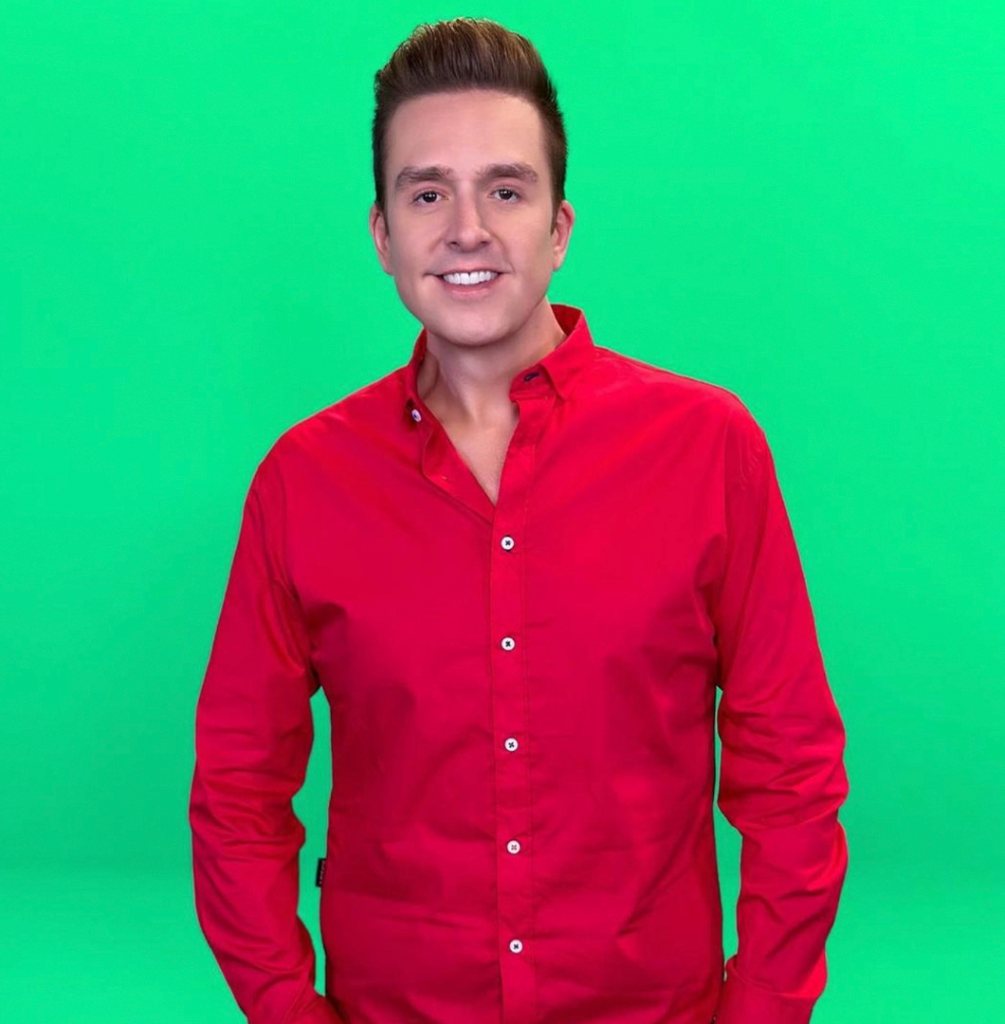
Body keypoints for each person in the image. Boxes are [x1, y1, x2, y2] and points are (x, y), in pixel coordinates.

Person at [189, 17, 849, 1024]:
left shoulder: (709, 449)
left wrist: (760, 1010)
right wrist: (287, 1008)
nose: (467, 229)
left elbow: (791, 770)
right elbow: (239, 787)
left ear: (559, 228)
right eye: (427, 194)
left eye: (505, 189)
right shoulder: (303, 480)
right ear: (382, 236)